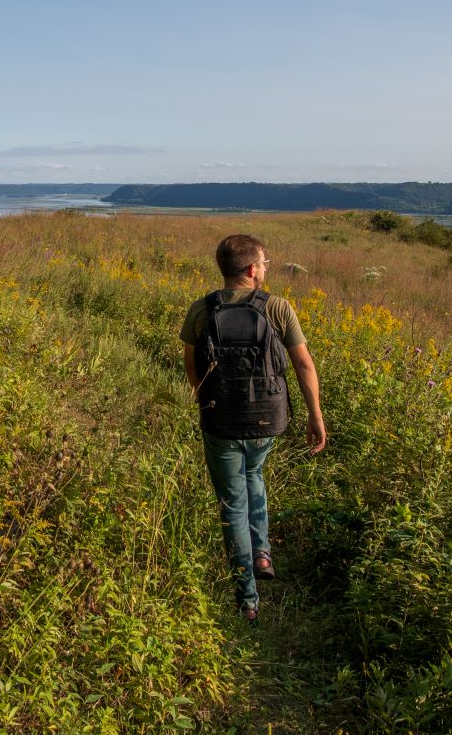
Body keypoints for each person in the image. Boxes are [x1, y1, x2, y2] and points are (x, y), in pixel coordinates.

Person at [181, 233, 326, 621]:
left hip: (221, 423)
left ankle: (247, 599)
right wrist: (315, 415)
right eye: (264, 262)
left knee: (232, 504)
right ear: (251, 269)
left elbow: (191, 367)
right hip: (267, 419)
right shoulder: (277, 308)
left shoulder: (200, 309)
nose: (265, 268)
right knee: (255, 471)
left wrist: (206, 401)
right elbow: (304, 365)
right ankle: (261, 554)